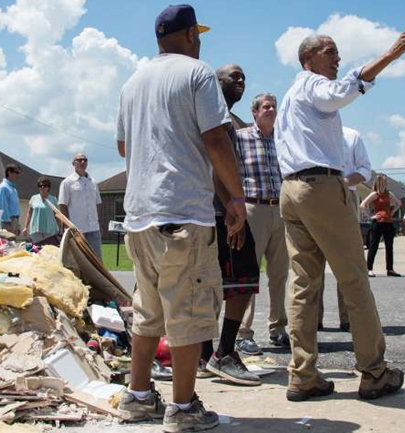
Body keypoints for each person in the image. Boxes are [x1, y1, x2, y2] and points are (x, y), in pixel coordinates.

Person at [275, 20, 405, 402]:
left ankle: (303, 374)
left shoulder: (291, 98)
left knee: (304, 285)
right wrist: (391, 54)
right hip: (320, 188)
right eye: (331, 52)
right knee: (354, 280)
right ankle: (374, 372)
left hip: (291, 191)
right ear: (307, 58)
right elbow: (340, 92)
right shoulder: (310, 84)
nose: (338, 59)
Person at [115, 5, 246, 430]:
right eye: (198, 34)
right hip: (183, 213)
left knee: (148, 311)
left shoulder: (134, 81)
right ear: (190, 35)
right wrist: (236, 197)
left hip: (139, 216)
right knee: (188, 311)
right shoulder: (198, 73)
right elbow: (215, 136)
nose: (200, 41)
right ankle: (184, 407)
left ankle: (137, 397)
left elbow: (122, 148)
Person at [200, 64, 262, 386]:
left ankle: (204, 354)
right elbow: (214, 169)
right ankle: (223, 352)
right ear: (216, 81)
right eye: (233, 77)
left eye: (243, 77)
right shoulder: (215, 114)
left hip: (218, 210)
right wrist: (231, 211)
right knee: (243, 277)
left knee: (214, 283)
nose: (240, 80)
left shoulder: (226, 118)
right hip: (219, 212)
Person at [235, 92, 290, 352]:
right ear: (254, 112)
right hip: (252, 208)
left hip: (280, 209)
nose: (271, 109)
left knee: (279, 274)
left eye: (273, 106)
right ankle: (243, 333)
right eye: (265, 106)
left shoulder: (283, 139)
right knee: (249, 274)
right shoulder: (241, 137)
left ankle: (278, 329)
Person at [317, 126, 373, 332]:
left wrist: (344, 182)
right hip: (316, 197)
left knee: (347, 259)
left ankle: (348, 317)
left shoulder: (352, 136)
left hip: (344, 196)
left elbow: (365, 169)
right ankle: (314, 318)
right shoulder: (311, 133)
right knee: (314, 259)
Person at [58, 153, 102, 258]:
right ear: (73, 163)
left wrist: (99, 222)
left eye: (85, 160)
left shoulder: (93, 182)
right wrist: (67, 226)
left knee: (96, 259)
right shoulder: (67, 183)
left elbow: (97, 204)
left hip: (94, 228)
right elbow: (62, 205)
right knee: (79, 260)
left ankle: (95, 275)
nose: (82, 162)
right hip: (77, 229)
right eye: (79, 160)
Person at [361, 174, 402, 278]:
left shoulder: (389, 193)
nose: (386, 182)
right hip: (377, 222)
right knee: (374, 245)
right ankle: (369, 269)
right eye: (384, 181)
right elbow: (362, 205)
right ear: (379, 182)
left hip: (388, 222)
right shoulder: (375, 194)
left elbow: (398, 203)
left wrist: (391, 212)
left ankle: (390, 269)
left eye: (386, 181)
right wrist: (370, 216)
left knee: (389, 246)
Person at [22, 176, 60, 245]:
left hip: (50, 229)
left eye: (44, 185)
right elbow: (29, 214)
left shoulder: (53, 199)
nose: (42, 187)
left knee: (48, 251)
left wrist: (60, 228)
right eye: (40, 185)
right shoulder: (33, 198)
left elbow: (57, 215)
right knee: (37, 250)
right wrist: (25, 227)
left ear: (48, 187)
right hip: (36, 229)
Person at [0, 164, 21, 235]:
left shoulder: (13, 188)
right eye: (16, 172)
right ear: (9, 173)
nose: (18, 175)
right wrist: (7, 224)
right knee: (7, 244)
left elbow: (15, 208)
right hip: (8, 221)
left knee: (13, 244)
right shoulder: (3, 187)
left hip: (14, 220)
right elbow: (3, 206)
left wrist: (17, 225)